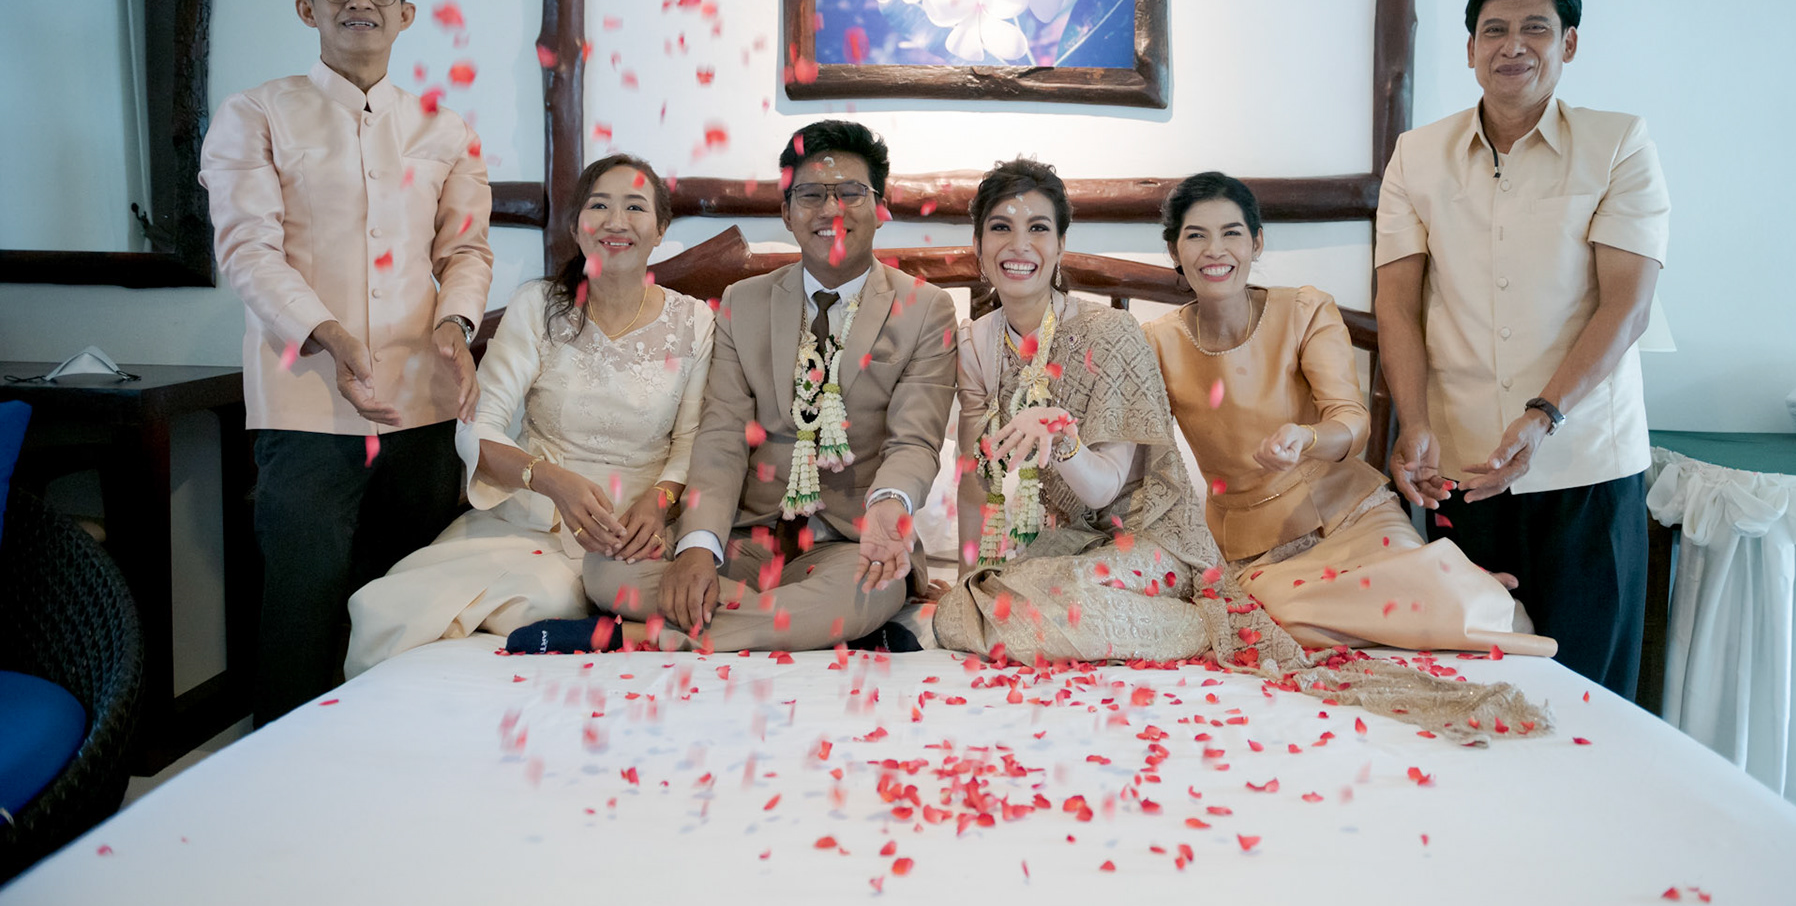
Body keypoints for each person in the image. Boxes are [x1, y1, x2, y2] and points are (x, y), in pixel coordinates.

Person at [201, 0, 491, 723]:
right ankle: (284, 763)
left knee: (407, 597)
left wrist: (456, 323)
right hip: (306, 400)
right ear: (308, 8)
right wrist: (328, 333)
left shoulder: (445, 128)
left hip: (422, 404)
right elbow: (249, 250)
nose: (360, 0)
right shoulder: (256, 113)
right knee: (304, 601)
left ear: (405, 12)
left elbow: (467, 250)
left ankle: (402, 751)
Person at [1375, 0, 1669, 698]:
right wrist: (1413, 422)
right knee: (1470, 681)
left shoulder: (1618, 143)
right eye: (1495, 30)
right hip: (1462, 466)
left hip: (1584, 462)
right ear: (1470, 49)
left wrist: (1543, 417)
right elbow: (1397, 304)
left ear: (1568, 43)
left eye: (1535, 28)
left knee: (1590, 689)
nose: (1513, 46)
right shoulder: (1417, 155)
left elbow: (1627, 305)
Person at [566, 121, 958, 654]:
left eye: (850, 193)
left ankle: (661, 631)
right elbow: (722, 436)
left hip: (854, 542)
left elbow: (915, 440)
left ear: (880, 208)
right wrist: (698, 547)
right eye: (811, 195)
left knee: (868, 588)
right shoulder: (743, 302)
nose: (831, 210)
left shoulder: (925, 309)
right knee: (605, 569)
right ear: (787, 213)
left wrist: (890, 506)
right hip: (746, 542)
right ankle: (783, 621)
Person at [1143, 172, 1553, 656]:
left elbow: (1353, 421)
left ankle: (1456, 597)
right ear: (1173, 250)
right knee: (1273, 620)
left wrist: (1306, 437)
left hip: (1351, 516)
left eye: (1231, 233)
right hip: (1257, 549)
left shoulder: (1304, 310)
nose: (1215, 250)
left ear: (1256, 243)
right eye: (1196, 236)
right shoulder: (1156, 343)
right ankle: (1451, 594)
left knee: (1351, 595)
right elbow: (1140, 455)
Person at [343, 155, 712, 674]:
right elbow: (477, 424)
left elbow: (693, 442)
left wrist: (658, 503)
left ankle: (588, 630)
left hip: (629, 535)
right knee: (389, 606)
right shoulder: (537, 305)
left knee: (545, 601)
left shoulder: (694, 321)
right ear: (575, 227)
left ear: (660, 229)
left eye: (635, 207)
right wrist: (549, 479)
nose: (616, 221)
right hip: (527, 519)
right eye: (599, 206)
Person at [933, 159, 1291, 667]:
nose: (1019, 245)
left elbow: (1103, 489)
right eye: (1001, 228)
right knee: (955, 613)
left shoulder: (1112, 333)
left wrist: (1060, 436)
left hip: (1149, 544)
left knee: (1064, 592)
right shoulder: (975, 344)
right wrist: (967, 581)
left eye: (1038, 228)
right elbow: (975, 480)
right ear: (978, 245)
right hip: (1068, 547)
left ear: (1060, 245)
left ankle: (1197, 624)